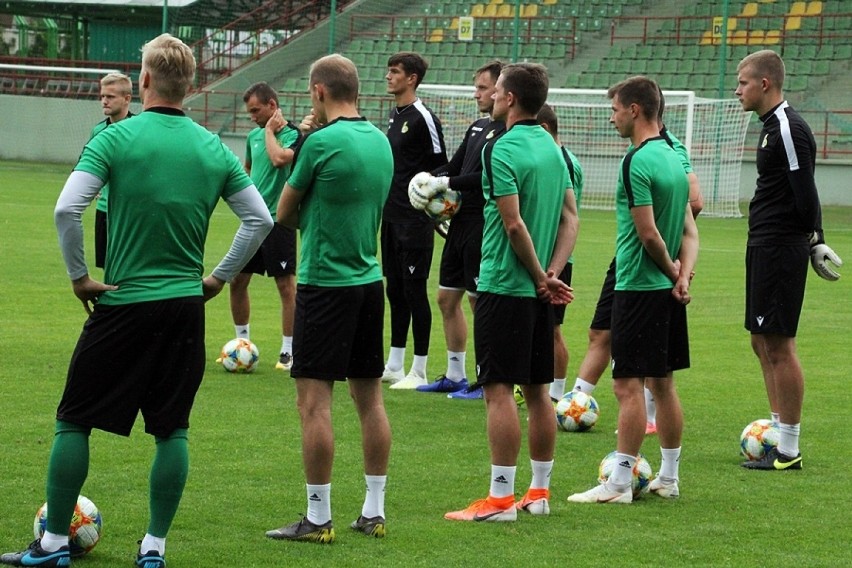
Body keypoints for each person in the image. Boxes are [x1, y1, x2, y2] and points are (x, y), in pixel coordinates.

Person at [0, 33, 273, 568]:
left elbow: (66, 210)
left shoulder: (115, 139)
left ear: (143, 80)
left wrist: (80, 277)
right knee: (171, 428)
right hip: (184, 307)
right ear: (190, 84)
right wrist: (216, 278)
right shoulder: (213, 147)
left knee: (74, 419)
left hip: (123, 302)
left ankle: (54, 543)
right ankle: (153, 549)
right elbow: (259, 220)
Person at [264, 54, 394, 543]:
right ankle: (374, 511)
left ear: (318, 91)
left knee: (314, 403)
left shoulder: (319, 143)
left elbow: (285, 211)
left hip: (324, 283)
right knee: (370, 398)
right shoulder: (380, 141)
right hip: (368, 281)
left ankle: (318, 517)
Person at [444, 63, 578, 522]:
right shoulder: (551, 146)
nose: (493, 97)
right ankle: (538, 494)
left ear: (511, 99)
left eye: (498, 90)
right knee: (540, 393)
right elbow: (570, 219)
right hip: (541, 291)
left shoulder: (501, 148)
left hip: (505, 285)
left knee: (497, 391)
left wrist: (541, 275)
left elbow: (513, 222)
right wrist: (554, 273)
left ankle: (500, 500)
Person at [568, 76, 696, 504]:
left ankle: (619, 484)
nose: (612, 117)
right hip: (665, 288)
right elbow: (688, 230)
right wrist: (682, 274)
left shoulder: (636, 161)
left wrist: (669, 267)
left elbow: (649, 235)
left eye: (616, 109)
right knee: (663, 384)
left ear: (635, 110)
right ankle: (669, 478)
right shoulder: (674, 157)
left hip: (639, 285)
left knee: (627, 385)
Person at [735, 50, 842, 470]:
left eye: (743, 82)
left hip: (781, 245)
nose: (737, 89)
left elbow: (805, 188)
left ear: (765, 84)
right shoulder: (768, 127)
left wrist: (815, 239)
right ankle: (778, 432)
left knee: (778, 343)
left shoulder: (787, 127)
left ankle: (789, 449)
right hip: (764, 243)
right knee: (760, 340)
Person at [406, 59, 505, 398]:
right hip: (459, 223)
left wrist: (444, 181)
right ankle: (455, 374)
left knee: (481, 305)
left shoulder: (507, 132)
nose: (476, 93)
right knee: (447, 298)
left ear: (501, 90)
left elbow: (484, 178)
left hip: (483, 225)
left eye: (482, 87)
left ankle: (486, 378)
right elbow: (456, 165)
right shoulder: (478, 126)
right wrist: (428, 180)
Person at [380, 52, 448, 390]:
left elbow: (443, 167)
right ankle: (394, 363)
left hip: (415, 222)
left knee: (414, 291)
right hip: (390, 217)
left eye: (395, 72)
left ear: (412, 78)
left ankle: (418, 369)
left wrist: (426, 196)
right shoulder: (394, 115)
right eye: (389, 71)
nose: (388, 76)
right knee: (394, 290)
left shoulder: (424, 117)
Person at [224, 82, 301, 371]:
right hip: (253, 221)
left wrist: (269, 131)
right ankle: (241, 343)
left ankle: (288, 351)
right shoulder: (253, 136)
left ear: (272, 106)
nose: (252, 116)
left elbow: (279, 160)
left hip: (279, 220)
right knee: (237, 281)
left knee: (285, 286)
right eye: (249, 112)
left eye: (256, 110)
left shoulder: (293, 134)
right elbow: (247, 169)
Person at [536, 103, 584, 403]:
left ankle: (556, 394)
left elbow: (565, 216)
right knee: (541, 328)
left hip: (556, 258)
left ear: (543, 129)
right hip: (545, 255)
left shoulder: (563, 162)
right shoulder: (555, 158)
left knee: (552, 330)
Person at [91, 72, 134, 270]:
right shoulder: (98, 131)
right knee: (108, 268)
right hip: (105, 210)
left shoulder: (139, 129)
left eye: (110, 97)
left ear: (127, 99)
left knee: (131, 266)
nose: (104, 101)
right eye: (102, 96)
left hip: (131, 212)